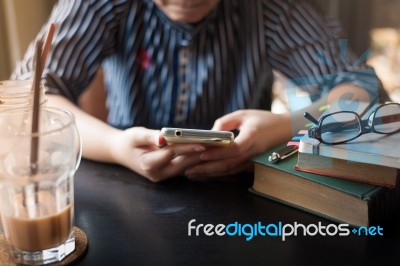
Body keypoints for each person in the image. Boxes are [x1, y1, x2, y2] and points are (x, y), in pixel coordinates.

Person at [13, 0, 389, 182]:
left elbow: (368, 92)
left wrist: (283, 125)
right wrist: (114, 146)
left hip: (243, 192)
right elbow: (26, 97)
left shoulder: (269, 7)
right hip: (121, 182)